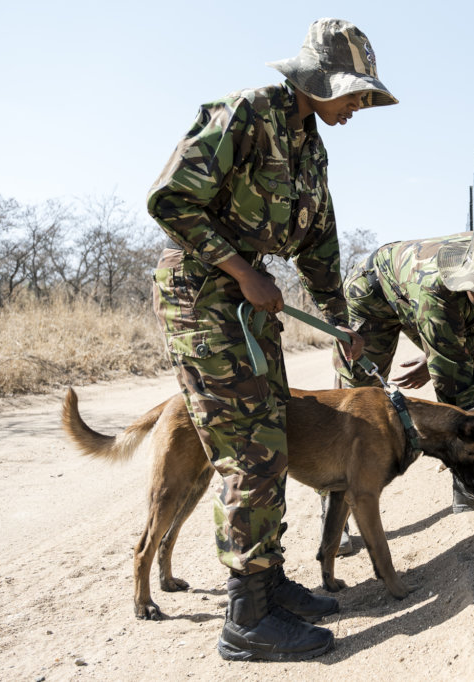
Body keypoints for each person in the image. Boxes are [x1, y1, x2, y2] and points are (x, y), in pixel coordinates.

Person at [147, 18, 395, 662]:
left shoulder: (312, 147)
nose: (358, 107)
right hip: (205, 297)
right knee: (248, 449)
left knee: (273, 437)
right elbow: (170, 200)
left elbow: (321, 245)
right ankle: (246, 618)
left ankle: (271, 582)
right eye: (354, 94)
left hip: (250, 305)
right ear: (319, 80)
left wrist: (343, 323)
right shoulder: (243, 114)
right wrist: (239, 269)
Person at [334, 224, 474, 523]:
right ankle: (336, 513)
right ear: (469, 277)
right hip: (374, 294)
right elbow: (458, 403)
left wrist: (437, 354)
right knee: (357, 402)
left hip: (426, 300)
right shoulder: (438, 293)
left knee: (473, 370)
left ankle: (471, 486)